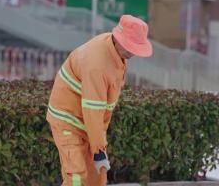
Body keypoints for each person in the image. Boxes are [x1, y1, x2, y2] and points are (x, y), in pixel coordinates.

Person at [46, 15, 153, 186]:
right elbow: (93, 110)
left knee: (97, 177)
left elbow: (101, 108)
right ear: (118, 39)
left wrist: (99, 146)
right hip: (68, 120)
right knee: (76, 177)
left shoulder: (116, 53)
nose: (132, 52)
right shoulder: (97, 64)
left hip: (88, 123)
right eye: (129, 47)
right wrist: (98, 150)